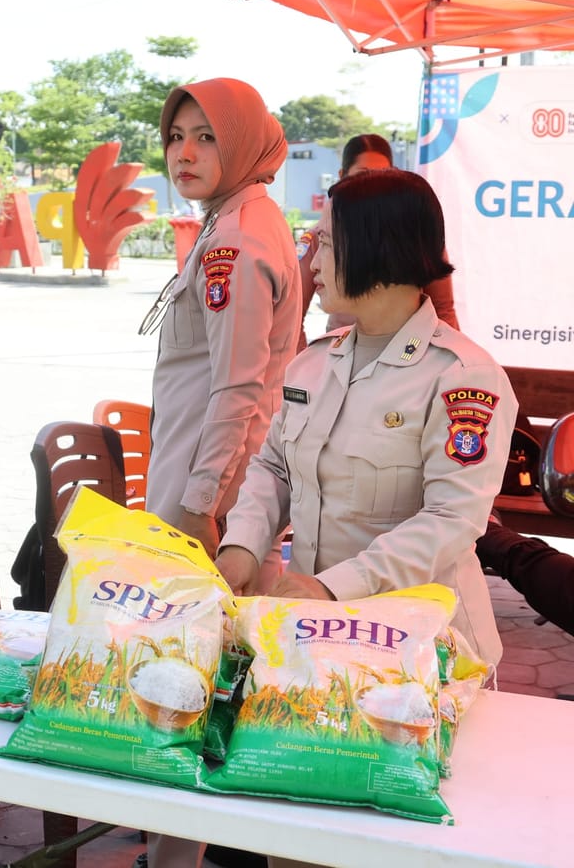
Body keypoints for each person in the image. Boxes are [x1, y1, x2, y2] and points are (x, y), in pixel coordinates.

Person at [217, 168, 517, 667]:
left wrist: (332, 588)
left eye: (328, 243)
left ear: (382, 249)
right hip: (323, 639)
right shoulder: (313, 363)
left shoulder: (463, 379)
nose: (311, 259)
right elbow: (274, 470)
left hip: (423, 652)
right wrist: (242, 548)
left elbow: (452, 519)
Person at [141, 77, 301, 868]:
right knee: (211, 686)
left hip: (202, 502)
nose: (185, 153)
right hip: (214, 490)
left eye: (205, 136)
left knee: (188, 692)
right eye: (176, 137)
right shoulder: (236, 223)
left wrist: (200, 506)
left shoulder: (239, 237)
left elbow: (240, 388)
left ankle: (181, 858)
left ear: (239, 141)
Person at [297, 133, 458, 346]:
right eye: (362, 175)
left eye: (382, 175)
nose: (371, 186)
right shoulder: (319, 235)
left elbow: (443, 308)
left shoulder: (414, 232)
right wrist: (300, 371)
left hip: (409, 351)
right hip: (340, 356)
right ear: (342, 176)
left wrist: (449, 353)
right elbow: (293, 313)